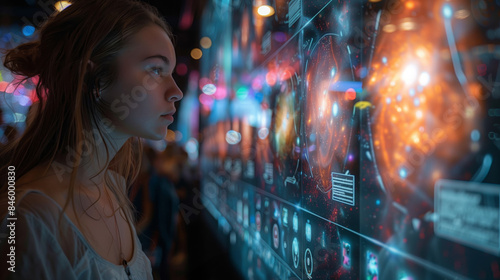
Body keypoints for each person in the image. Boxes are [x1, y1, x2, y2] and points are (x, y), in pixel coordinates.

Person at [0, 0, 183, 279]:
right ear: (94, 78)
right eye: (155, 70)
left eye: (169, 72)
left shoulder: (113, 188)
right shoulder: (28, 216)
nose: (176, 91)